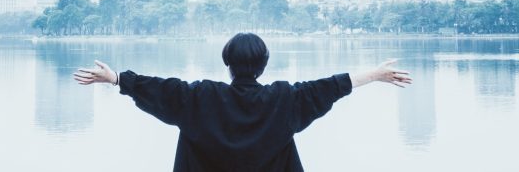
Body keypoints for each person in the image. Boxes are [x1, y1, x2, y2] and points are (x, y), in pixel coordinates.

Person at [74, 32, 412, 171]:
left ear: (228, 63)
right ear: (263, 65)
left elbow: (159, 89)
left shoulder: (199, 98)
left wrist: (116, 78)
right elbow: (330, 87)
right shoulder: (284, 101)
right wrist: (375, 74)